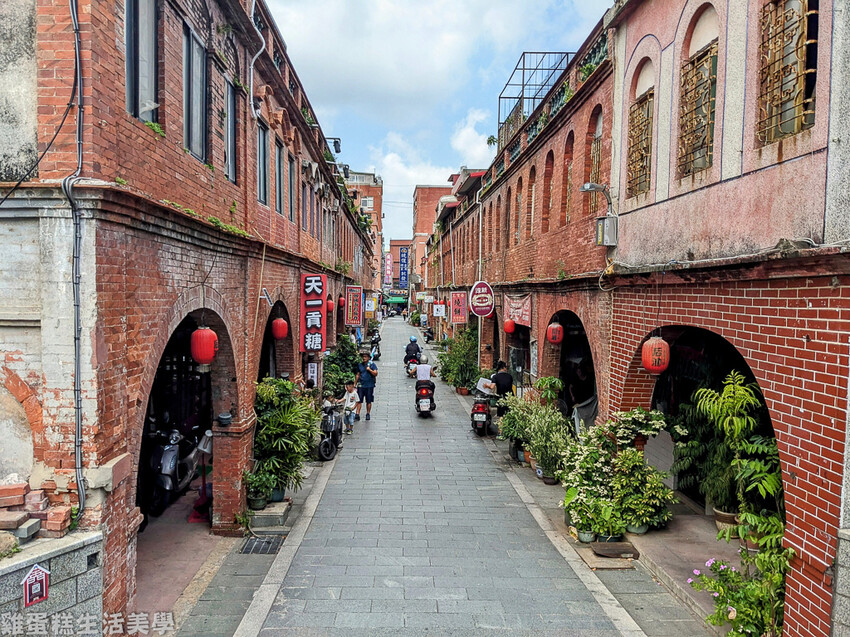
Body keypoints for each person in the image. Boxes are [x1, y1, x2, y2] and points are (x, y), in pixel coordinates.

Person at [355, 350, 378, 421]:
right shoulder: (360, 365)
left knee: (368, 400)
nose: (364, 358)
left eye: (365, 357)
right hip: (361, 385)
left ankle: (368, 413)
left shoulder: (372, 364)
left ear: (368, 357)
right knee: (359, 400)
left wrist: (370, 370)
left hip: (369, 385)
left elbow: (375, 373)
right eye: (363, 357)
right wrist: (355, 383)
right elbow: (358, 374)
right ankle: (357, 414)